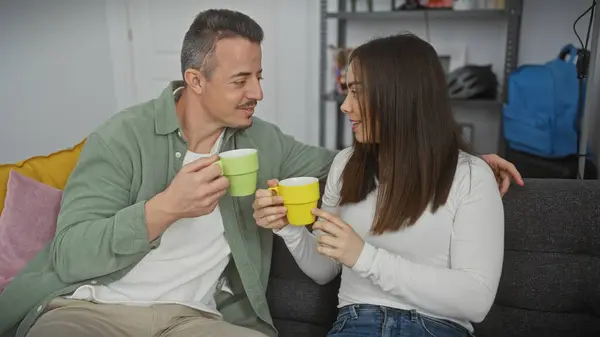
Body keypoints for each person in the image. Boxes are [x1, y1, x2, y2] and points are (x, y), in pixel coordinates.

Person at [0, 9, 521, 337]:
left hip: (196, 318)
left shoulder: (263, 143)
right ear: (195, 80)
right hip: (97, 310)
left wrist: (459, 159)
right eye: (242, 79)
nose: (259, 92)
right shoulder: (120, 138)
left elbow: (350, 169)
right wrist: (165, 209)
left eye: (261, 76)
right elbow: (70, 252)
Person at [253, 33, 506, 337]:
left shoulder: (471, 176)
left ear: (399, 96)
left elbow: (476, 300)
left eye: (357, 92)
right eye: (347, 91)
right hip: (356, 323)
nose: (345, 106)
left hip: (436, 328)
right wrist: (289, 228)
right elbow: (324, 270)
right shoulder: (346, 166)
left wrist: (365, 257)